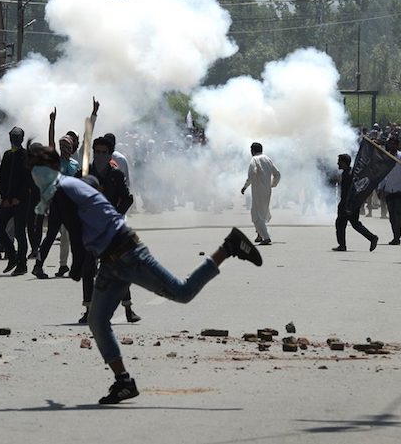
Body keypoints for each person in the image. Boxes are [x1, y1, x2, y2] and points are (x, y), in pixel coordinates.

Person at [27, 146, 263, 404]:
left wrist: (76, 268)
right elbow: (92, 185)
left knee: (182, 292)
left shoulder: (64, 190)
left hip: (127, 253)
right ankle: (124, 382)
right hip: (111, 262)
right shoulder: (71, 185)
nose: (34, 174)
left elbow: (74, 230)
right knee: (97, 321)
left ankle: (229, 247)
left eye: (36, 168)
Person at [79, 136, 139, 324]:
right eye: (97, 152)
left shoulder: (116, 175)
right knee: (88, 269)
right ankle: (89, 310)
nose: (100, 156)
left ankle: (128, 309)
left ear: (110, 154)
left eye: (104, 152)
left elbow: (127, 198)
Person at [33, 132, 80, 279]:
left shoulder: (74, 164)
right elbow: (51, 142)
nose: (64, 149)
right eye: (63, 146)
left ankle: (66, 265)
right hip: (57, 205)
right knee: (51, 237)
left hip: (70, 205)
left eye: (67, 146)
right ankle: (38, 266)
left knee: (70, 236)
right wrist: (52, 123)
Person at [0, 126, 33, 276]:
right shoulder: (7, 155)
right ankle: (13, 256)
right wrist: (4, 198)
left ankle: (22, 265)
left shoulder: (26, 155)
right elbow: (3, 179)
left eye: (17, 137)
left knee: (19, 233)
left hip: (21, 201)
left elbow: (28, 180)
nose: (14, 139)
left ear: (22, 139)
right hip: (6, 201)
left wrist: (18, 198)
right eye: (12, 136)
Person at [333, 153, 378, 252]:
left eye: (339, 161)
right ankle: (372, 238)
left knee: (341, 224)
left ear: (344, 163)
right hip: (351, 203)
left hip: (348, 204)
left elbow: (350, 191)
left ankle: (342, 245)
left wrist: (347, 206)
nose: (337, 163)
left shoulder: (348, 175)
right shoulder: (350, 173)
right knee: (354, 224)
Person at [241, 142, 281, 245]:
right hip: (267, 190)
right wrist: (273, 184)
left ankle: (266, 237)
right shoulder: (267, 159)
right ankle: (259, 235)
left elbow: (252, 174)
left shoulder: (254, 160)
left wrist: (245, 187)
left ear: (252, 151)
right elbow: (277, 174)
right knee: (262, 213)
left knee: (256, 215)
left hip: (258, 191)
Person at [377, 136, 401, 245]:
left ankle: (397, 237)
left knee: (398, 215)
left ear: (398, 145)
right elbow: (383, 174)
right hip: (389, 189)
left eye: (395, 143)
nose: (393, 145)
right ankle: (394, 234)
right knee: (392, 216)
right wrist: (380, 188)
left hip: (400, 189)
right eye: (391, 143)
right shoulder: (385, 157)